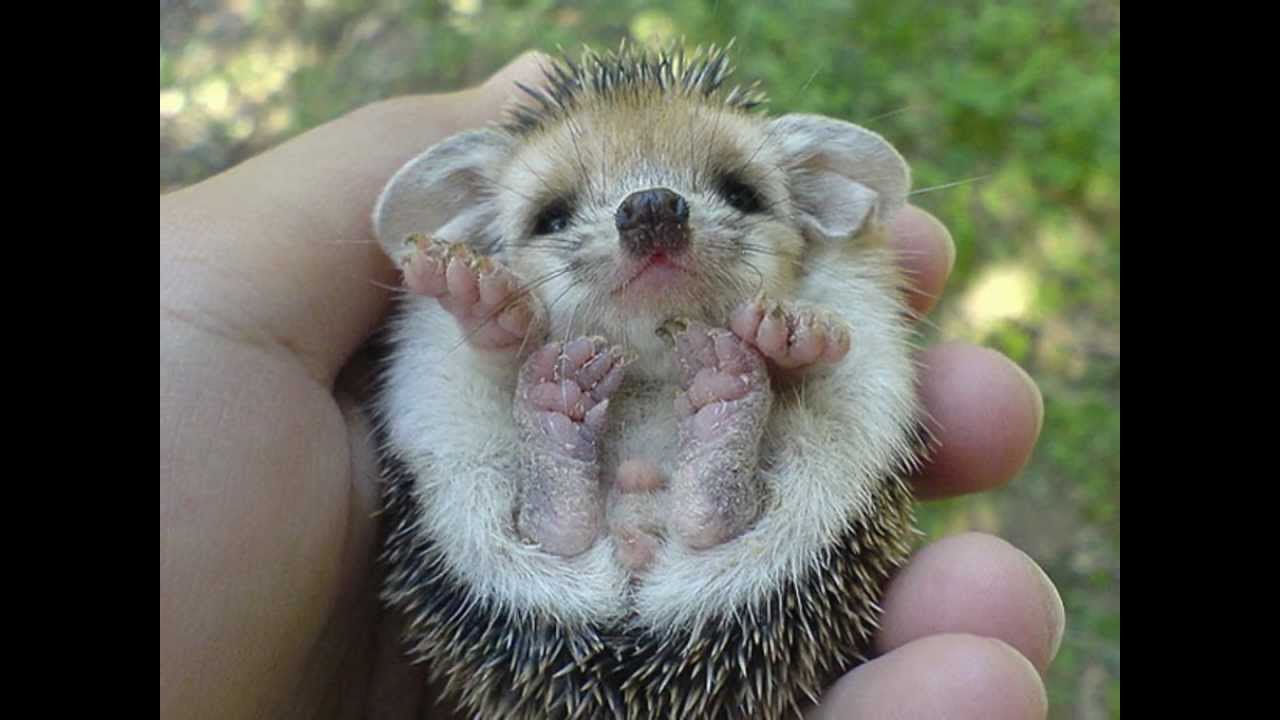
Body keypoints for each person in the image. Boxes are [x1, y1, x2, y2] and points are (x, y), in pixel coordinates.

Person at [160, 52, 1062, 719]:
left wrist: (805, 348)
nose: (652, 217)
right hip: (677, 527)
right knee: (464, 358)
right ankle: (712, 477)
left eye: (736, 193)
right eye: (556, 216)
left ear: (816, 198)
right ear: (482, 222)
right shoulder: (506, 286)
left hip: (636, 526)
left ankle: (581, 500)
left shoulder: (806, 277)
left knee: (838, 366)